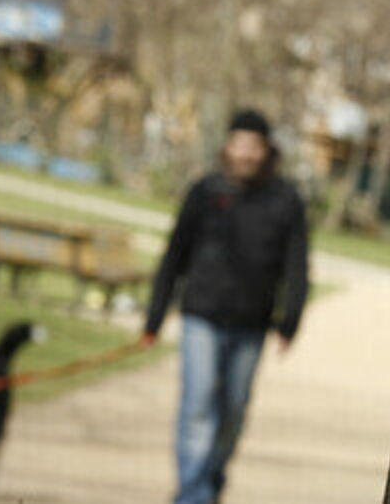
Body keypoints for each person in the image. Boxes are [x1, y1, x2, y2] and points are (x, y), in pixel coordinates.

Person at [140, 108, 308, 504]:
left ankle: (207, 483)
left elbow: (297, 264)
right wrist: (154, 317)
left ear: (267, 151)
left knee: (232, 414)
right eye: (239, 144)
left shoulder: (285, 199)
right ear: (228, 146)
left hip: (251, 324)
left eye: (254, 146)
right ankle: (193, 496)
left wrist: (290, 320)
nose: (246, 153)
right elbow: (174, 254)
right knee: (197, 407)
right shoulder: (204, 191)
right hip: (201, 316)